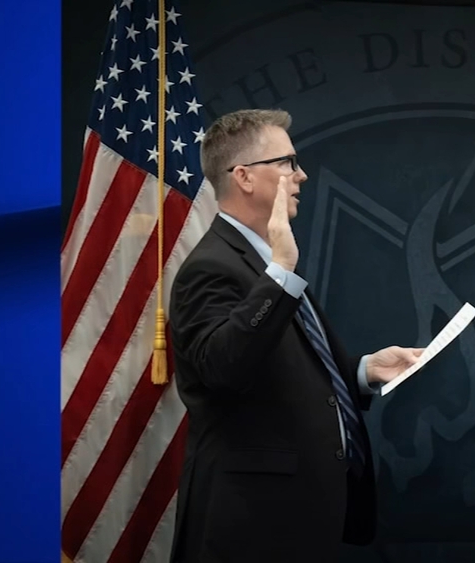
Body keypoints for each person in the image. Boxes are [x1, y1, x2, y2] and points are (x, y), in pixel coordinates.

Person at [167, 108, 422, 562]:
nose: (301, 175)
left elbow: (277, 369)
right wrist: (282, 271)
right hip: (251, 527)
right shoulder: (212, 267)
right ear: (244, 176)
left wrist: (361, 373)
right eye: (287, 162)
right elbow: (222, 369)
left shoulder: (263, 260)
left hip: (297, 518)